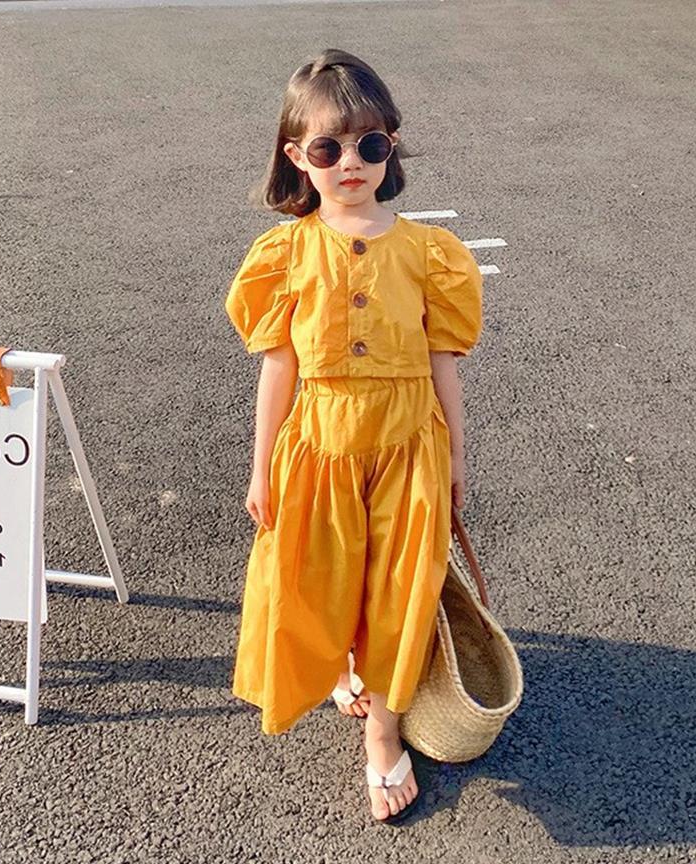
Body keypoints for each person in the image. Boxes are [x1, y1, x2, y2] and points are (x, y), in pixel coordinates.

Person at [224, 48, 483, 825]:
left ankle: (383, 731)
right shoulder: (285, 253)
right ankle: (340, 667)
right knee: (321, 576)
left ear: (390, 147)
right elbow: (277, 368)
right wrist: (261, 469)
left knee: (401, 590)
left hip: (409, 446)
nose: (350, 164)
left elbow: (442, 364)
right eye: (327, 147)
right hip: (318, 443)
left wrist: (455, 458)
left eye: (369, 144)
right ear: (295, 155)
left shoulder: (429, 253)